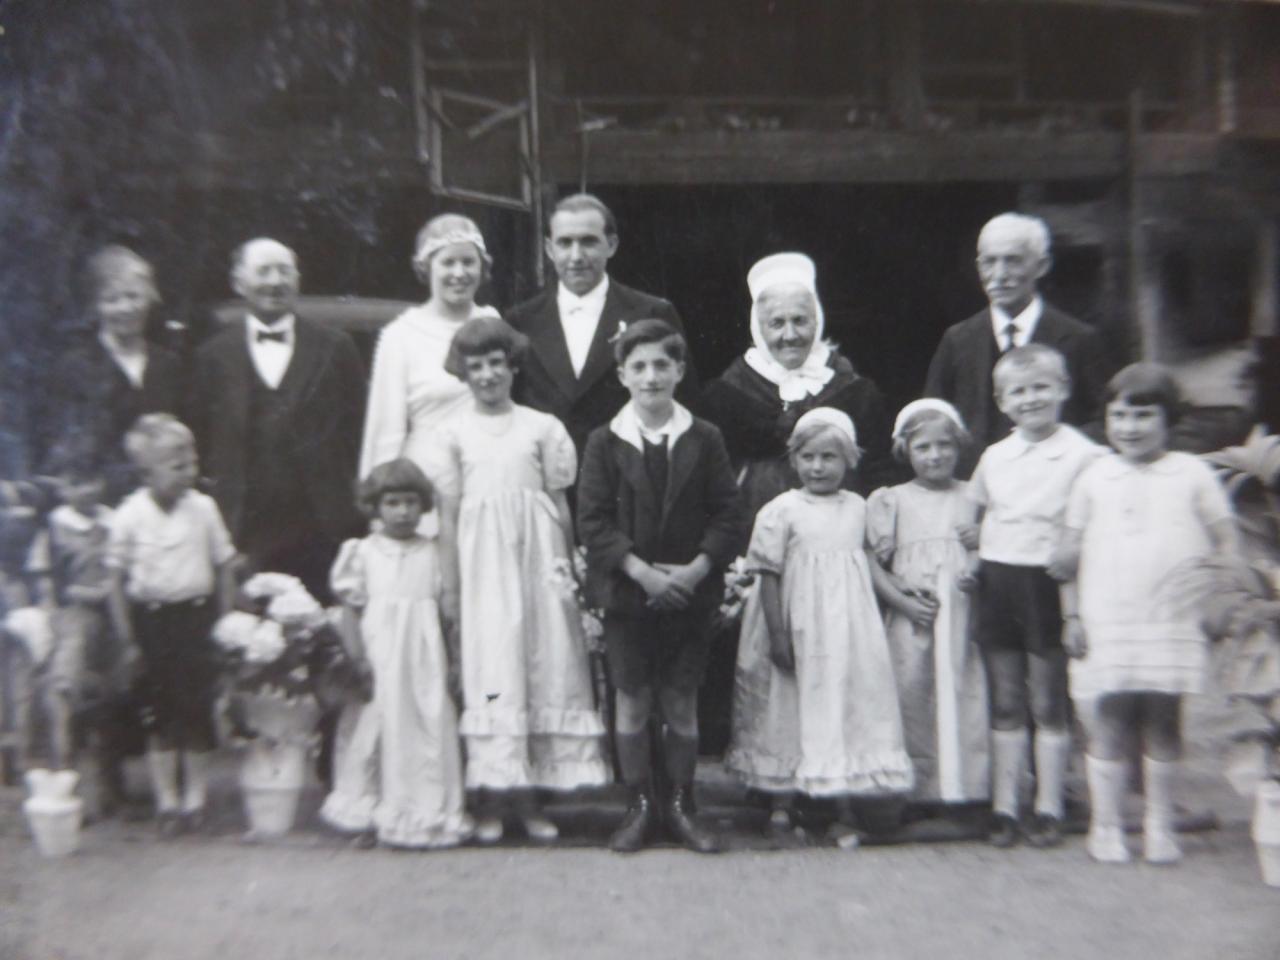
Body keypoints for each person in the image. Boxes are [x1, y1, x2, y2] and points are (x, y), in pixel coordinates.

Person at [429, 317, 610, 843]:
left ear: (512, 367)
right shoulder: (452, 434)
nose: (487, 375)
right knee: (494, 671)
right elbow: (447, 516)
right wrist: (451, 584)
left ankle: (531, 801)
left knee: (540, 664)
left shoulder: (541, 428)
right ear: (462, 373)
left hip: (538, 567)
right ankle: (492, 800)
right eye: (475, 366)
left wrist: (569, 572)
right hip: (483, 568)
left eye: (495, 364)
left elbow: (559, 505)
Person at [577, 319, 745, 853]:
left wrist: (696, 570)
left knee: (679, 701)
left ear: (678, 371)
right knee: (631, 699)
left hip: (689, 594)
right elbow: (593, 521)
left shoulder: (705, 438)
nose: (651, 377)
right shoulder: (604, 442)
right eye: (639, 367)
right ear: (623, 375)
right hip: (629, 594)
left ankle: (681, 804)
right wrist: (641, 572)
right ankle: (639, 805)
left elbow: (728, 515)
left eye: (661, 365)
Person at [1058, 364, 1237, 864]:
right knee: (1110, 720)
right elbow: (1067, 556)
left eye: (1142, 415)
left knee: (1163, 720)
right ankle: (1107, 824)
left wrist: (1223, 600)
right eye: (1119, 415)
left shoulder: (1193, 472)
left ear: (1168, 419)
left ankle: (1160, 823)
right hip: (1108, 618)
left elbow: (1226, 539)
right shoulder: (1093, 476)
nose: (1129, 427)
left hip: (1171, 620)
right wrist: (1071, 616)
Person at [724, 408, 913, 844]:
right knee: (789, 705)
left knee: (840, 705)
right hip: (795, 622)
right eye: (808, 456)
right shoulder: (780, 510)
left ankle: (841, 795)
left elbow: (870, 565)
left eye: (829, 457)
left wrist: (901, 596)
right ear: (793, 460)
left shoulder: (860, 508)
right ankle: (781, 800)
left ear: (849, 460)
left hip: (846, 628)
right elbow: (767, 573)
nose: (818, 466)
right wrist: (777, 633)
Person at [967, 344, 1104, 848]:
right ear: (1002, 401)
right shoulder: (996, 456)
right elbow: (972, 508)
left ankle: (1049, 805)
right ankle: (1006, 806)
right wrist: (970, 545)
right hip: (999, 581)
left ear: (1063, 389)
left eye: (1041, 387)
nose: (1031, 399)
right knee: (1006, 699)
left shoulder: (1087, 456)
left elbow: (1093, 521)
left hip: (1050, 586)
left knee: (1048, 700)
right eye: (1018, 391)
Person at [190, 238, 365, 602]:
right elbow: (201, 441)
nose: (275, 281)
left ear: (298, 279)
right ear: (238, 283)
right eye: (263, 271)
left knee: (329, 635)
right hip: (245, 530)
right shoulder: (212, 356)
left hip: (323, 527)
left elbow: (360, 430)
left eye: (284, 271)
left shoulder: (335, 347)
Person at [319, 459, 471, 850]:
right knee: (375, 725)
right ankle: (369, 810)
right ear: (374, 506)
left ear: (423, 505)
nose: (402, 512)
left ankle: (423, 811)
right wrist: (358, 658)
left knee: (426, 725)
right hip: (380, 652)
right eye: (392, 503)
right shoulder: (363, 552)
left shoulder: (436, 552)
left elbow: (446, 616)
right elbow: (349, 612)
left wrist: (454, 660)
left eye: (410, 502)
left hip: (424, 659)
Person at [105, 414, 236, 835]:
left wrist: (226, 620)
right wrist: (127, 639)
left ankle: (195, 799)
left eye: (193, 462)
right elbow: (115, 581)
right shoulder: (129, 515)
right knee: (159, 716)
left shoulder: (204, 508)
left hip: (196, 619)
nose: (190, 472)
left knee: (196, 711)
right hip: (152, 623)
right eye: (178, 466)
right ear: (147, 471)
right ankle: (168, 802)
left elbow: (225, 565)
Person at [506, 193, 698, 457]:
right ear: (550, 250)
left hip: (628, 474)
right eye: (565, 243)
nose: (576, 256)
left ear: (611, 245)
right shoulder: (520, 320)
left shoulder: (651, 312)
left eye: (588, 242)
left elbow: (683, 403)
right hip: (549, 474)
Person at [700, 253, 894, 511]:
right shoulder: (726, 395)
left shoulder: (855, 391)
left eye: (800, 320)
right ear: (758, 328)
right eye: (777, 323)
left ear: (817, 320)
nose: (789, 335)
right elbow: (714, 483)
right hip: (757, 535)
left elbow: (879, 473)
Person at [867, 400, 989, 807]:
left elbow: (995, 548)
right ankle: (917, 790)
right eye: (923, 447)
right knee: (912, 694)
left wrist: (979, 556)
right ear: (906, 451)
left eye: (944, 446)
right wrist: (901, 602)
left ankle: (967, 788)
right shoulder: (891, 500)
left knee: (966, 692)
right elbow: (873, 565)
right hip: (913, 617)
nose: (935, 456)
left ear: (959, 447)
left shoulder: (973, 495)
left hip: (962, 614)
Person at [925, 213, 1110, 473]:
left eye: (1013, 261)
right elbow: (933, 418)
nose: (999, 274)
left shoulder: (1079, 339)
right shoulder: (957, 340)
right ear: (978, 267)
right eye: (989, 262)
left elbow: (1104, 421)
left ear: (1042, 265)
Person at [360, 214, 502, 484]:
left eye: (468, 262)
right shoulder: (400, 335)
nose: (459, 273)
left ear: (482, 268)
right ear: (427, 267)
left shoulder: (493, 321)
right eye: (448, 262)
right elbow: (386, 430)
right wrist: (383, 497)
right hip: (427, 478)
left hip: (490, 474)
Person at [44, 246, 183, 504]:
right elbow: (69, 451)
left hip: (168, 504)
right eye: (112, 299)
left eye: (134, 296)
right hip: (102, 506)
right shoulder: (76, 367)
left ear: (150, 298)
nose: (125, 308)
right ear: (95, 305)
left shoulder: (169, 364)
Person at [39, 460, 133, 816]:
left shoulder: (114, 521)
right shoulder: (55, 527)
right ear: (63, 487)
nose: (86, 490)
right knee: (68, 694)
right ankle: (65, 789)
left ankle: (110, 788)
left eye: (92, 480)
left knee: (112, 699)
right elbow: (48, 580)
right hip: (75, 615)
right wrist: (52, 618)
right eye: (76, 483)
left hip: (114, 617)